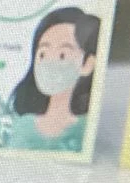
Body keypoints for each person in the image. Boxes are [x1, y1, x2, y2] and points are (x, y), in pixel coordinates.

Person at [7, 7, 101, 152]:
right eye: (42, 54)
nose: (49, 63)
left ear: (88, 64)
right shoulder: (23, 126)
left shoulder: (86, 128)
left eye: (62, 55)